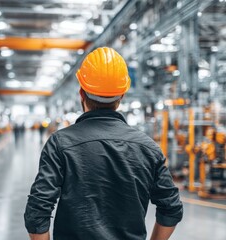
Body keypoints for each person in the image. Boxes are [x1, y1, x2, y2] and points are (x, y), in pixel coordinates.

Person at [24, 47, 183, 240]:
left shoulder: (60, 143)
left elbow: (37, 211)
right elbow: (171, 209)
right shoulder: (149, 148)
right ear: (122, 96)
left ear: (81, 94)